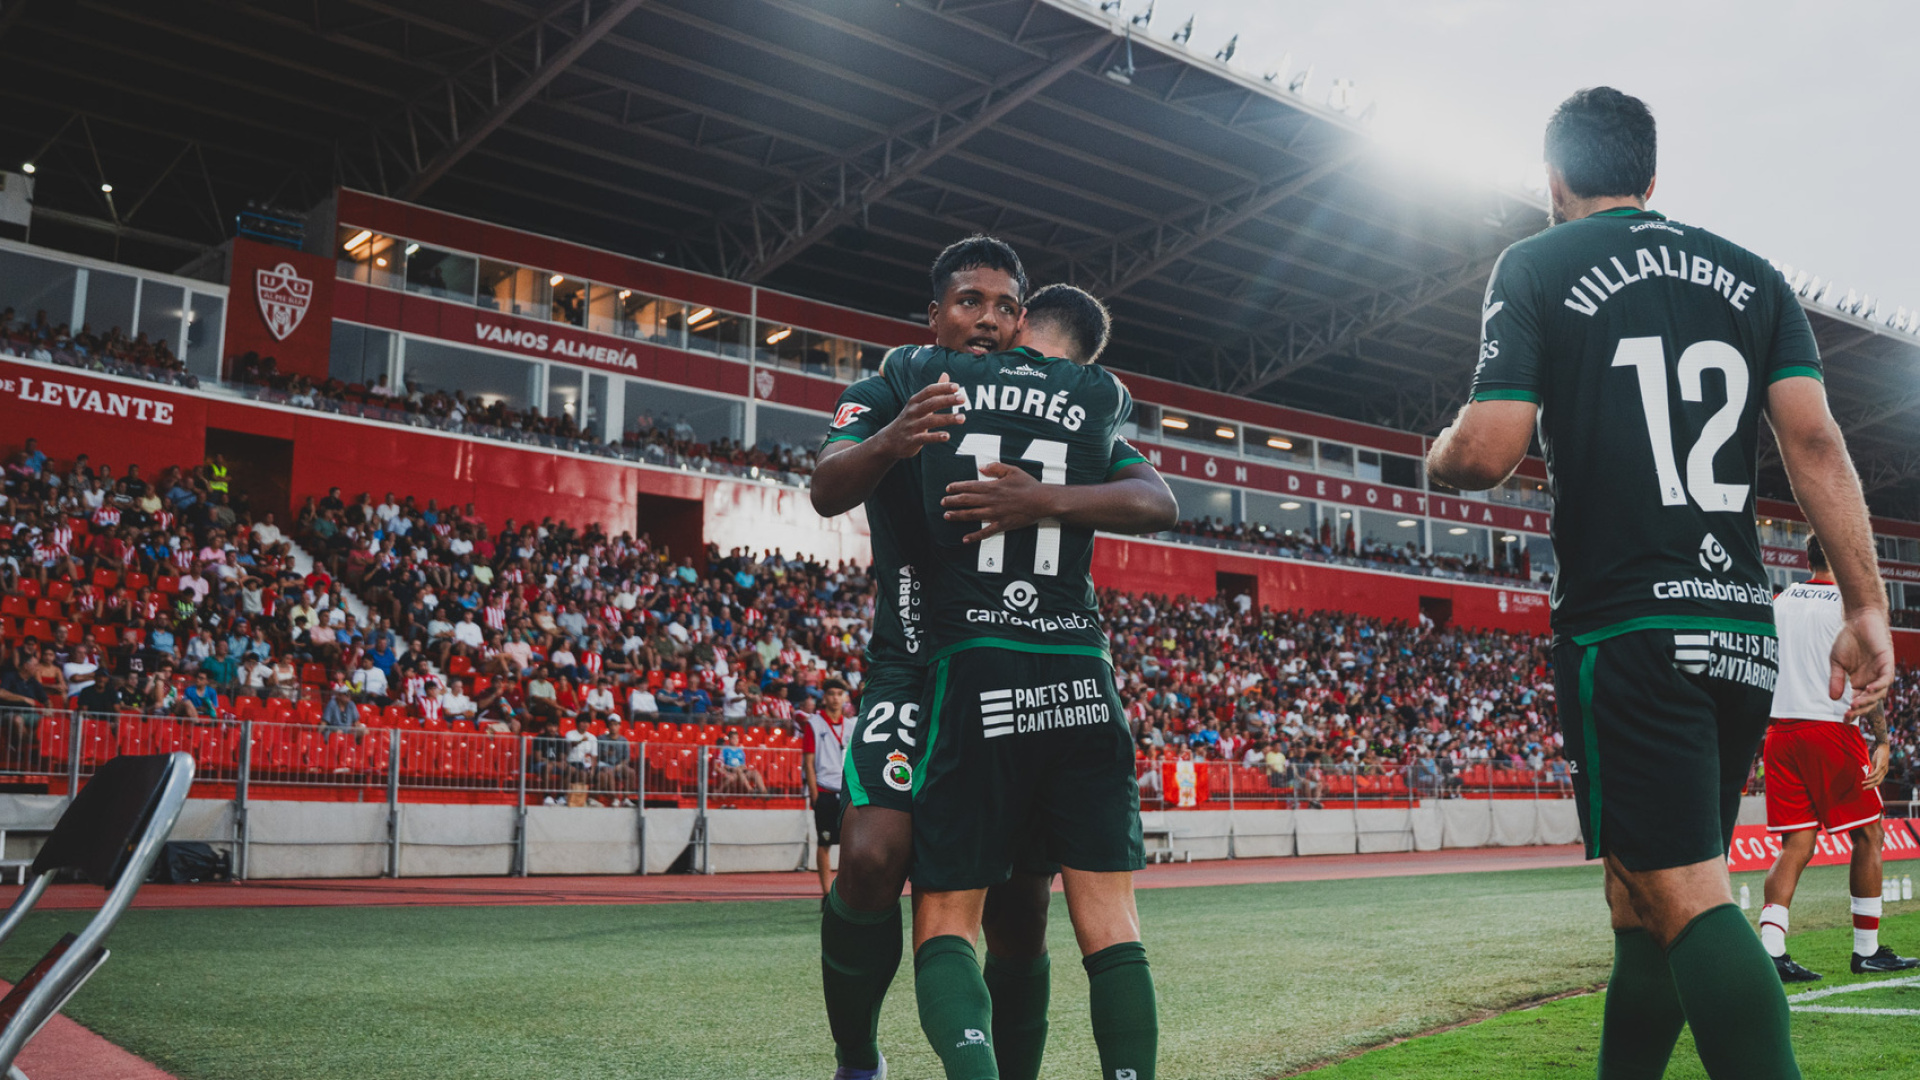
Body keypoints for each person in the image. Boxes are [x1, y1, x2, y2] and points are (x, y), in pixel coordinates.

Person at [1424, 87, 1895, 1080]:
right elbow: (1812, 440)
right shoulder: (1752, 278)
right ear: (1651, 177)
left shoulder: (1538, 264)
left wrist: (1438, 456)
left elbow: (1491, 450)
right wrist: (1867, 604)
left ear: (1554, 180)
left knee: (1683, 891)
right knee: (1637, 899)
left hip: (1629, 626)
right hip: (1737, 630)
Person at [807, 237, 1177, 1080]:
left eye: (1006, 306)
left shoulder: (1026, 400)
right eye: (969, 300)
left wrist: (1039, 496)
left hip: (1001, 671)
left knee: (1018, 909)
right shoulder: (887, 387)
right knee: (868, 856)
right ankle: (858, 1058)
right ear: (933, 312)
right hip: (911, 662)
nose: (988, 318)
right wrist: (896, 438)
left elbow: (1150, 496)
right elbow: (827, 487)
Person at [1758, 534, 1917, 981]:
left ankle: (1771, 950)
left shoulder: (1780, 602)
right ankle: (1866, 950)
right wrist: (1882, 741)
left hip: (1780, 732)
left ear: (1807, 558)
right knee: (1869, 833)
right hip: (1829, 729)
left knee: (1797, 845)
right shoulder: (1851, 607)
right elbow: (1869, 679)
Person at [800, 679, 854, 897]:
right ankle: (826, 893)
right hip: (824, 791)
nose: (835, 698)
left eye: (839, 693)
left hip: (847, 791)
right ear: (824, 697)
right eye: (831, 693)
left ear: (845, 697)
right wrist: (814, 794)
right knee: (824, 843)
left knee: (850, 845)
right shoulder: (814, 724)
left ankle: (846, 891)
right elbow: (809, 762)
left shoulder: (852, 725)